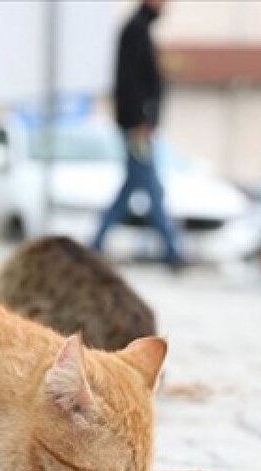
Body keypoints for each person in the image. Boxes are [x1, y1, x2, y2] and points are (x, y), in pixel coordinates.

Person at [91, 0, 183, 272]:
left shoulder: (140, 29)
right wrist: (140, 120)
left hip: (138, 124)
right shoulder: (135, 30)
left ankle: (96, 244)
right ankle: (172, 252)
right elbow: (130, 82)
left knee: (133, 187)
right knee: (152, 188)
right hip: (137, 126)